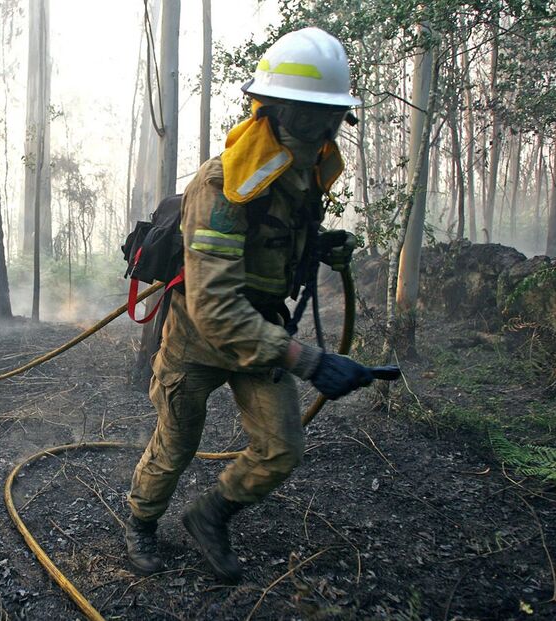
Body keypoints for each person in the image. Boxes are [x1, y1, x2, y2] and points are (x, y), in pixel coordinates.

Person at [124, 27, 374, 583]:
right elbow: (214, 306)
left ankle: (210, 516)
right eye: (305, 117)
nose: (318, 132)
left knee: (281, 449)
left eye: (328, 119)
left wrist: (320, 247)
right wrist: (307, 360)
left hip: (261, 332)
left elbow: (275, 247)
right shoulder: (221, 183)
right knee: (176, 444)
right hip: (196, 337)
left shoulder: (301, 179)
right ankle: (140, 522)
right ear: (272, 112)